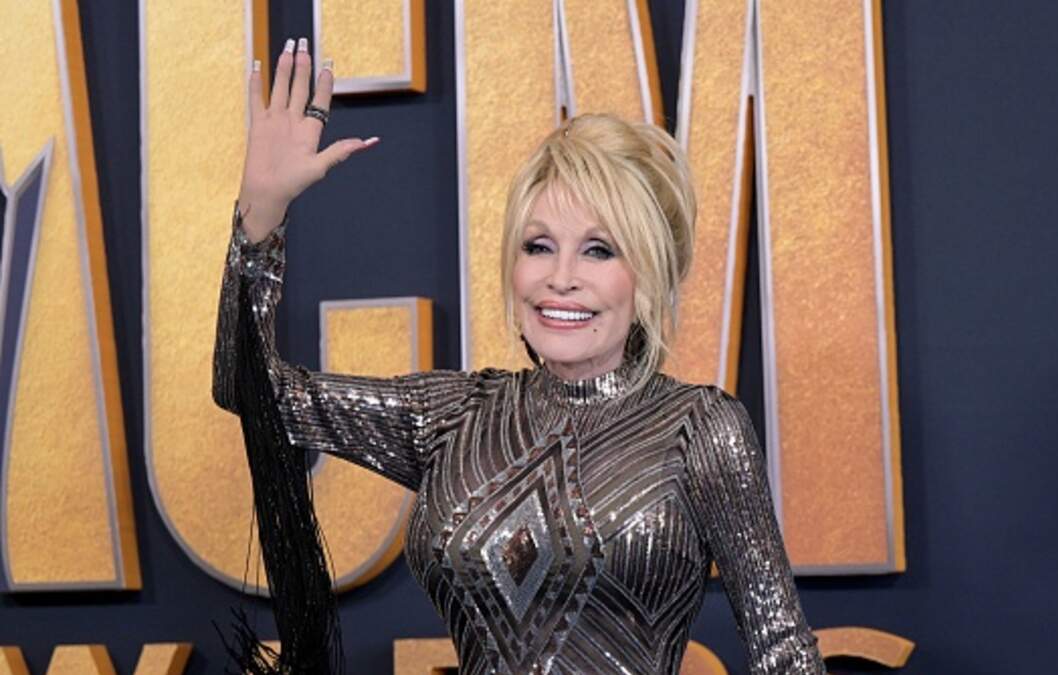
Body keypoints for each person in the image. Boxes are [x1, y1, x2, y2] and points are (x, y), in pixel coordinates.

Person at [214, 36, 825, 675]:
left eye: (599, 250)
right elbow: (248, 388)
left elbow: (783, 651)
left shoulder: (699, 428)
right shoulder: (454, 415)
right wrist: (260, 218)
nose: (561, 278)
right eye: (538, 246)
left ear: (650, 273)